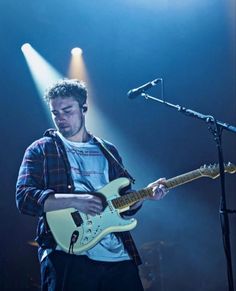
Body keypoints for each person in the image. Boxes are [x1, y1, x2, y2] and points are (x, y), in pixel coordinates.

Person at [16, 79, 168, 291]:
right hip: (66, 253)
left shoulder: (108, 150)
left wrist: (144, 196)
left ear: (83, 108)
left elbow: (122, 205)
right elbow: (24, 198)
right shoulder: (41, 149)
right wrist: (77, 200)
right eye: (55, 112)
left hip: (118, 256)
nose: (61, 118)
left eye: (67, 110)